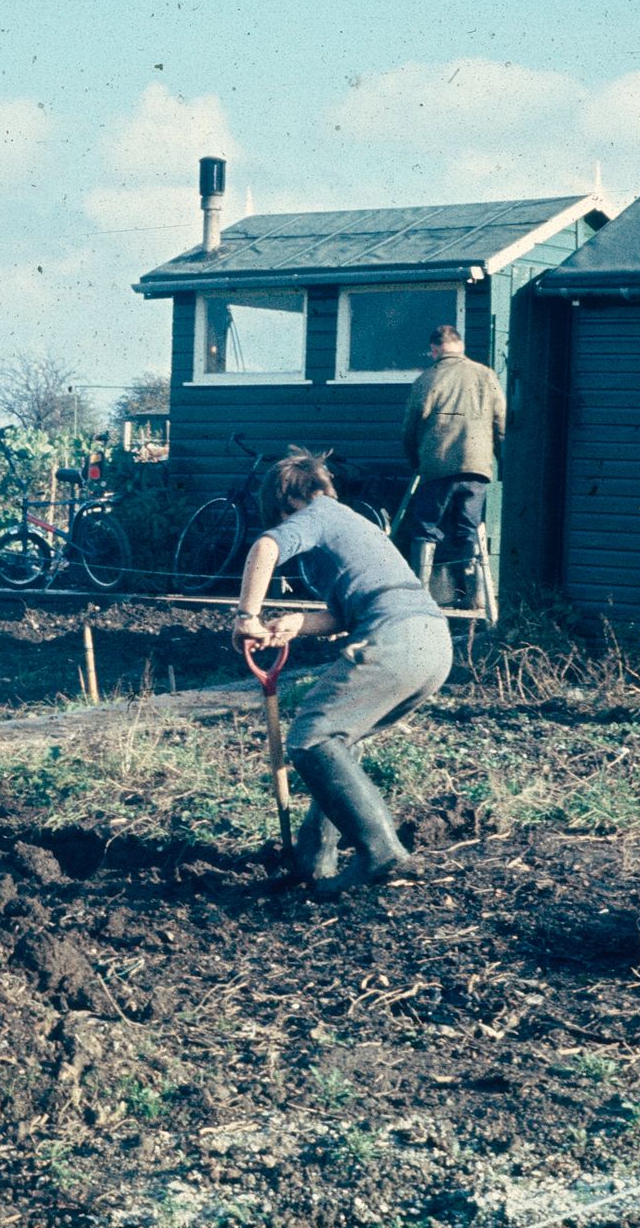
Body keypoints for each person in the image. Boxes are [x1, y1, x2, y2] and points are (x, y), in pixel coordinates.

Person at [231, 449, 453, 893]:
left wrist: (246, 617)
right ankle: (315, 859)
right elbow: (348, 611)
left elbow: (266, 547)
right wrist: (295, 624)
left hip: (396, 638)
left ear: (286, 501)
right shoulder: (352, 523)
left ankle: (383, 854)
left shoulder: (315, 513)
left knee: (311, 737)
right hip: (432, 643)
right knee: (337, 743)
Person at [396, 323, 505, 607]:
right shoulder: (486, 375)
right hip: (477, 467)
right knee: (470, 529)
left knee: (426, 528)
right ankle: (477, 598)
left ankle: (420, 598)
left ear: (434, 349)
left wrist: (417, 462)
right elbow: (501, 424)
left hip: (437, 466)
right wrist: (502, 462)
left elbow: (409, 428)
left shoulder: (427, 378)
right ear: (461, 347)